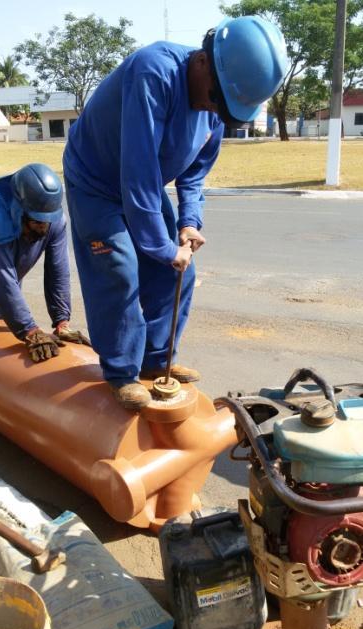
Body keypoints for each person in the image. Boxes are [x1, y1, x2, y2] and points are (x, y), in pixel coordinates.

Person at [63, 15, 288, 410]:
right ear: (202, 61)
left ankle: (154, 362)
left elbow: (195, 172)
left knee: (181, 272)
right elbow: (138, 171)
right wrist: (166, 248)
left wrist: (188, 223)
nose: (213, 109)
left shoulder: (217, 107)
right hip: (98, 184)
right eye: (216, 98)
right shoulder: (154, 73)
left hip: (143, 183)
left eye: (226, 109)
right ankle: (121, 373)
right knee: (119, 266)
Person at [0, 163, 90, 362]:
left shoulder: (53, 220)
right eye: (36, 222)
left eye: (46, 222)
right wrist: (29, 330)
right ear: (18, 210)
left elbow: (58, 271)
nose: (42, 228)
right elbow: (3, 280)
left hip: (2, 296)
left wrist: (61, 321)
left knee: (1, 351)